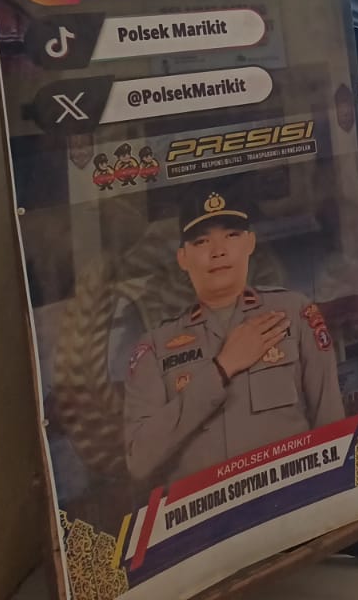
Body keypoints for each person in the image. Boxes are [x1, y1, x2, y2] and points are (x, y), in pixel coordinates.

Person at [123, 191, 344, 483]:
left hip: (296, 500)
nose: (218, 251)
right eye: (202, 241)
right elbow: (139, 460)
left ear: (250, 242)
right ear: (183, 257)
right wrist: (221, 369)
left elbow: (332, 429)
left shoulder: (294, 313)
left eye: (231, 235)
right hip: (207, 509)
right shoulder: (155, 347)